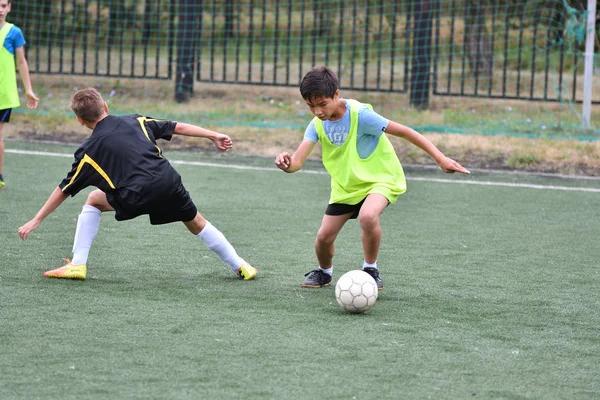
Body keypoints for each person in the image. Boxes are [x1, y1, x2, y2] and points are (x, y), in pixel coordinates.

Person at [18, 87, 257, 281]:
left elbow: (64, 189)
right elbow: (177, 126)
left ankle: (78, 264)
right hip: (168, 182)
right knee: (196, 222)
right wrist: (213, 135)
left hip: (135, 195)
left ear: (80, 120)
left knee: (93, 199)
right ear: (105, 107)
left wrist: (36, 219)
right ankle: (241, 266)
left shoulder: (88, 152)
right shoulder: (137, 120)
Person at [275, 66, 469, 290]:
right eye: (311, 106)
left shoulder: (361, 115)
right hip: (346, 187)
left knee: (368, 217)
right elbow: (297, 162)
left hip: (380, 179)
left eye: (322, 104)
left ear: (336, 95)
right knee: (323, 238)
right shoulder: (317, 124)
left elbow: (405, 132)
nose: (317, 111)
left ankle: (370, 268)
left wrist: (440, 158)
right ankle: (324, 273)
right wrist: (286, 164)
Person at [0, 0, 39, 189]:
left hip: (3, 95)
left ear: (9, 8)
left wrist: (28, 89)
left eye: (3, 5)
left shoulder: (14, 32)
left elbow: (21, 62)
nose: (0, 10)